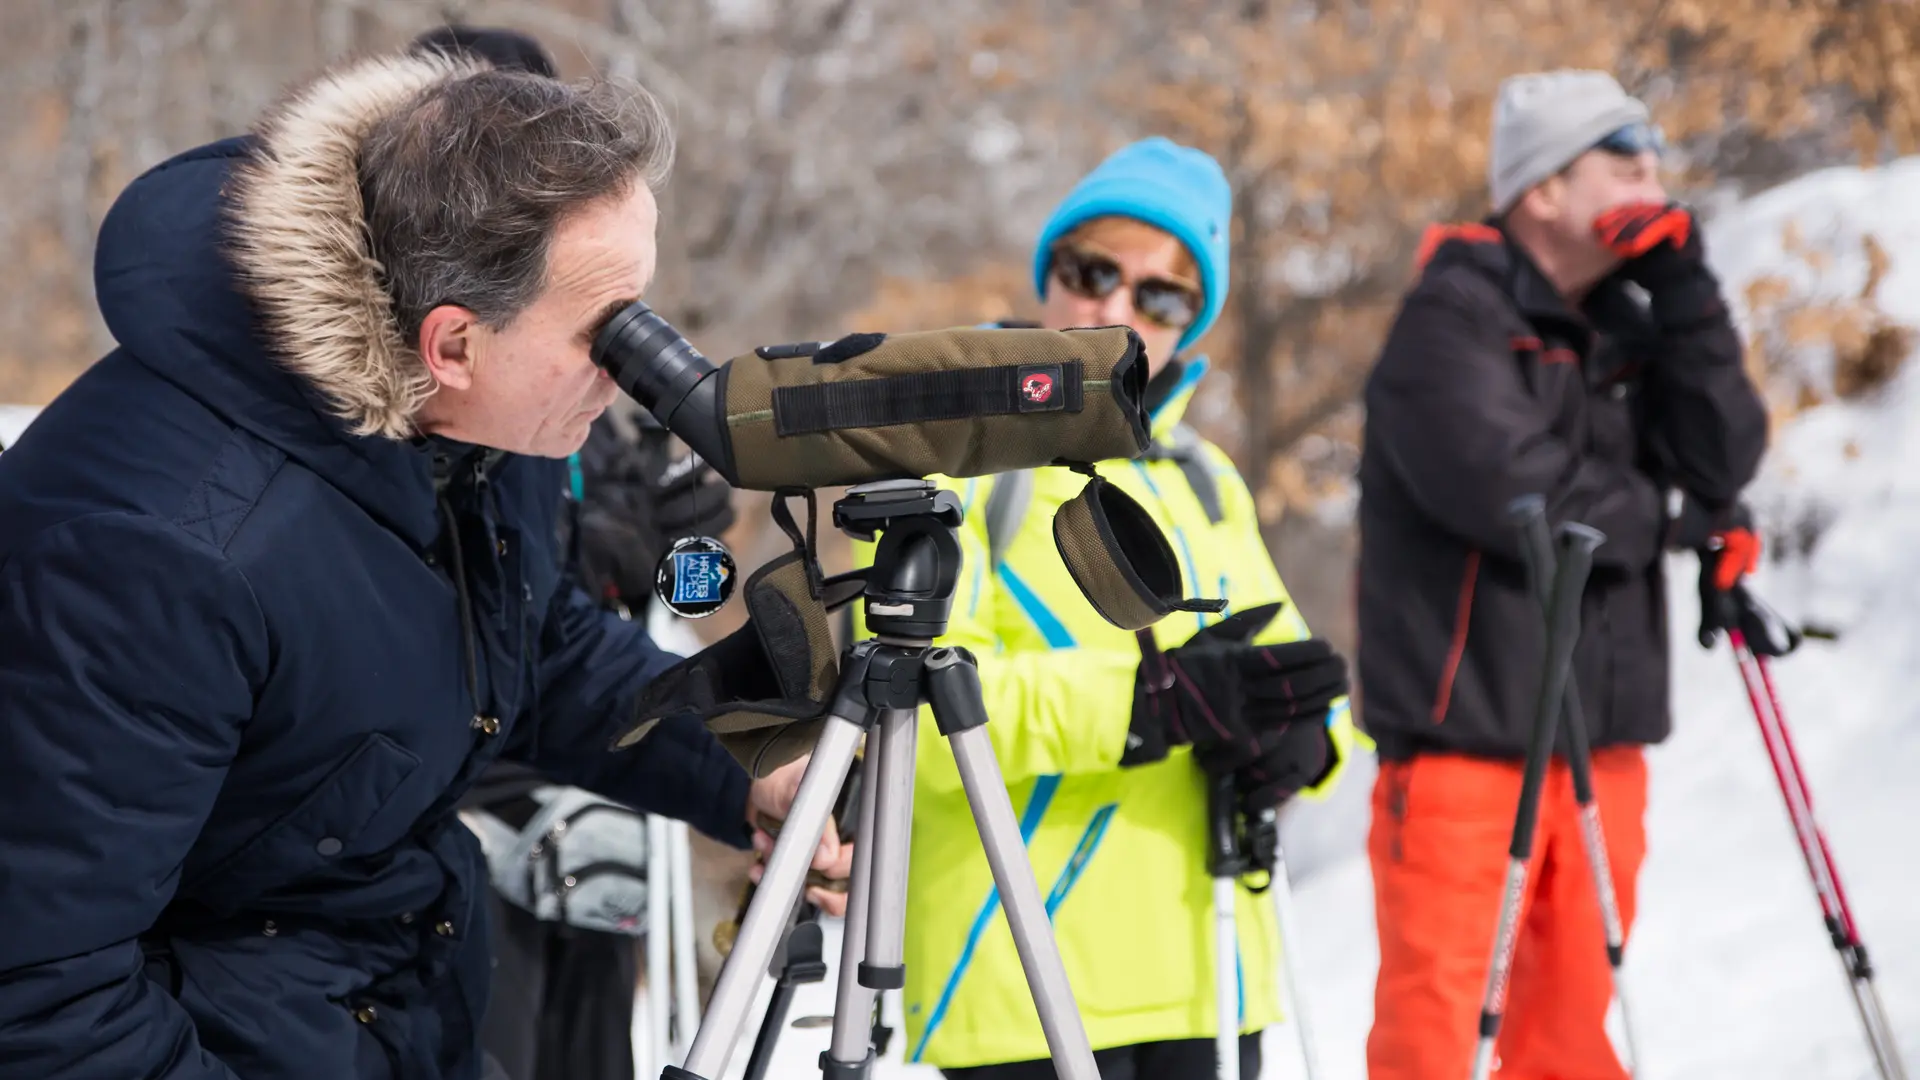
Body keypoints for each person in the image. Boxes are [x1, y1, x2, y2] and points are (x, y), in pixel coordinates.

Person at [0, 48, 846, 1080]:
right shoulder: (157, 555)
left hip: (396, 1003)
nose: (636, 374)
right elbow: (44, 998)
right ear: (452, 345)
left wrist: (746, 762)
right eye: (603, 333)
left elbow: (539, 647)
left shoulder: (479, 420)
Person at [852, 137, 1363, 1079]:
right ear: (1049, 272)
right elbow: (904, 724)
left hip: (1209, 971)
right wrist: (1146, 703)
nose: (1117, 309)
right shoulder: (947, 464)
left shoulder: (1206, 480)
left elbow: (1291, 677)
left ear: (1190, 321)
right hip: (1012, 975)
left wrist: (1306, 746)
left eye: (1161, 295)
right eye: (1094, 271)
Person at [1357, 70, 1769, 1080]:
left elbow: (1723, 458)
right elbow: (1522, 493)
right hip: (1467, 749)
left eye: (1654, 155)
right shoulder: (1447, 321)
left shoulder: (1634, 319)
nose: (1651, 174)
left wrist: (1686, 292)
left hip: (1604, 744)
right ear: (1541, 188)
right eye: (1621, 156)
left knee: (1571, 1038)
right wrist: (1675, 517)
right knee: (1438, 1040)